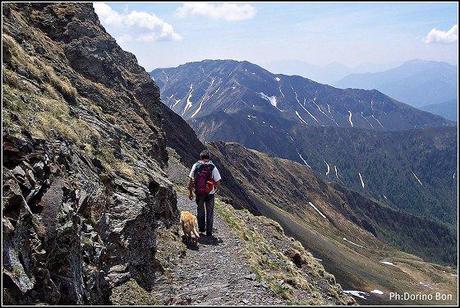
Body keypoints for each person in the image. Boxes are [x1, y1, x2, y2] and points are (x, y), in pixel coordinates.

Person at [188, 149, 221, 236]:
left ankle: (201, 228)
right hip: (210, 194)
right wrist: (215, 190)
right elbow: (218, 182)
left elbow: (191, 180)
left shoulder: (196, 165)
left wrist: (190, 192)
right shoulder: (212, 167)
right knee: (210, 212)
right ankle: (209, 232)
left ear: (200, 157)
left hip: (199, 192)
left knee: (200, 210)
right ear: (209, 158)